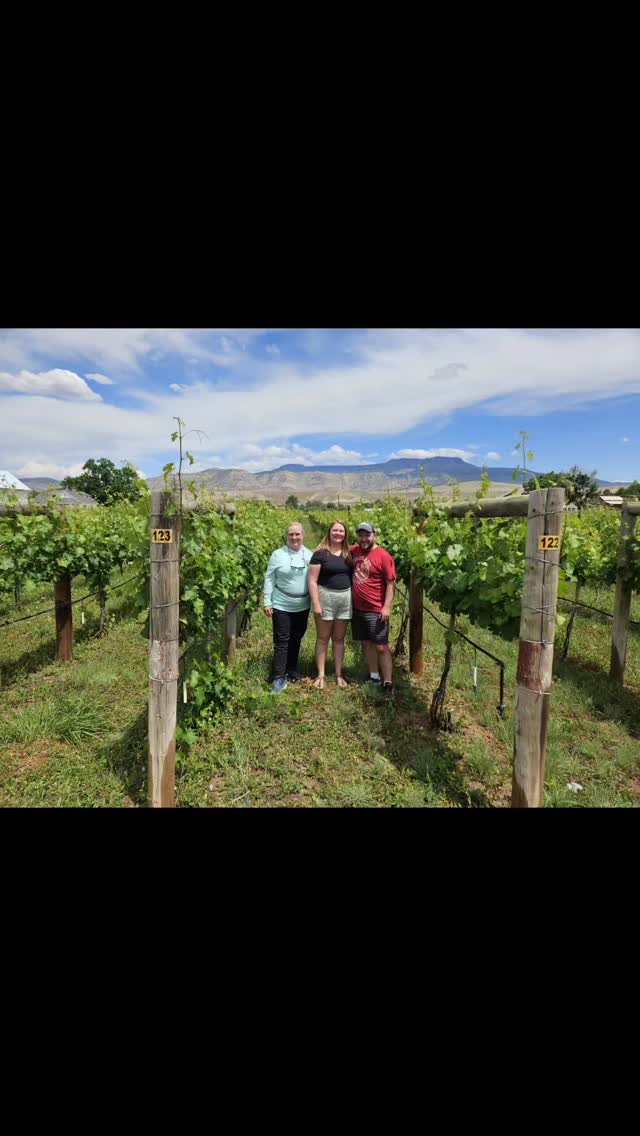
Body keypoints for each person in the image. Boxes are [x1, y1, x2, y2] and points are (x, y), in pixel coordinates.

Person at [263, 522, 313, 693]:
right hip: (281, 605)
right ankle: (278, 678)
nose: (294, 537)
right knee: (282, 641)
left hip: (302, 606)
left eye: (297, 534)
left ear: (303, 535)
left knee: (296, 638)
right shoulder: (277, 555)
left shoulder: (309, 555)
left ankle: (291, 669)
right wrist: (267, 601)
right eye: (291, 534)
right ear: (286, 536)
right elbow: (269, 578)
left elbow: (313, 581)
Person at [350, 522, 396, 695]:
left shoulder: (383, 556)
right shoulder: (354, 550)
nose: (364, 539)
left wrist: (386, 607)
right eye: (360, 535)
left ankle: (388, 681)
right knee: (366, 643)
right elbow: (335, 548)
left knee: (381, 646)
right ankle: (374, 675)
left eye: (367, 535)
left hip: (376, 609)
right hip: (357, 609)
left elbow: (390, 583)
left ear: (374, 535)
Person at [307, 519, 353, 689]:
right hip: (325, 597)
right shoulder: (320, 553)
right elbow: (312, 580)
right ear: (329, 532)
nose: (338, 533)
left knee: (339, 639)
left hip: (345, 599)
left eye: (341, 531)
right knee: (323, 638)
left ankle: (339, 674)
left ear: (345, 534)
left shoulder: (349, 553)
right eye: (335, 530)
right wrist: (316, 604)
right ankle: (321, 675)